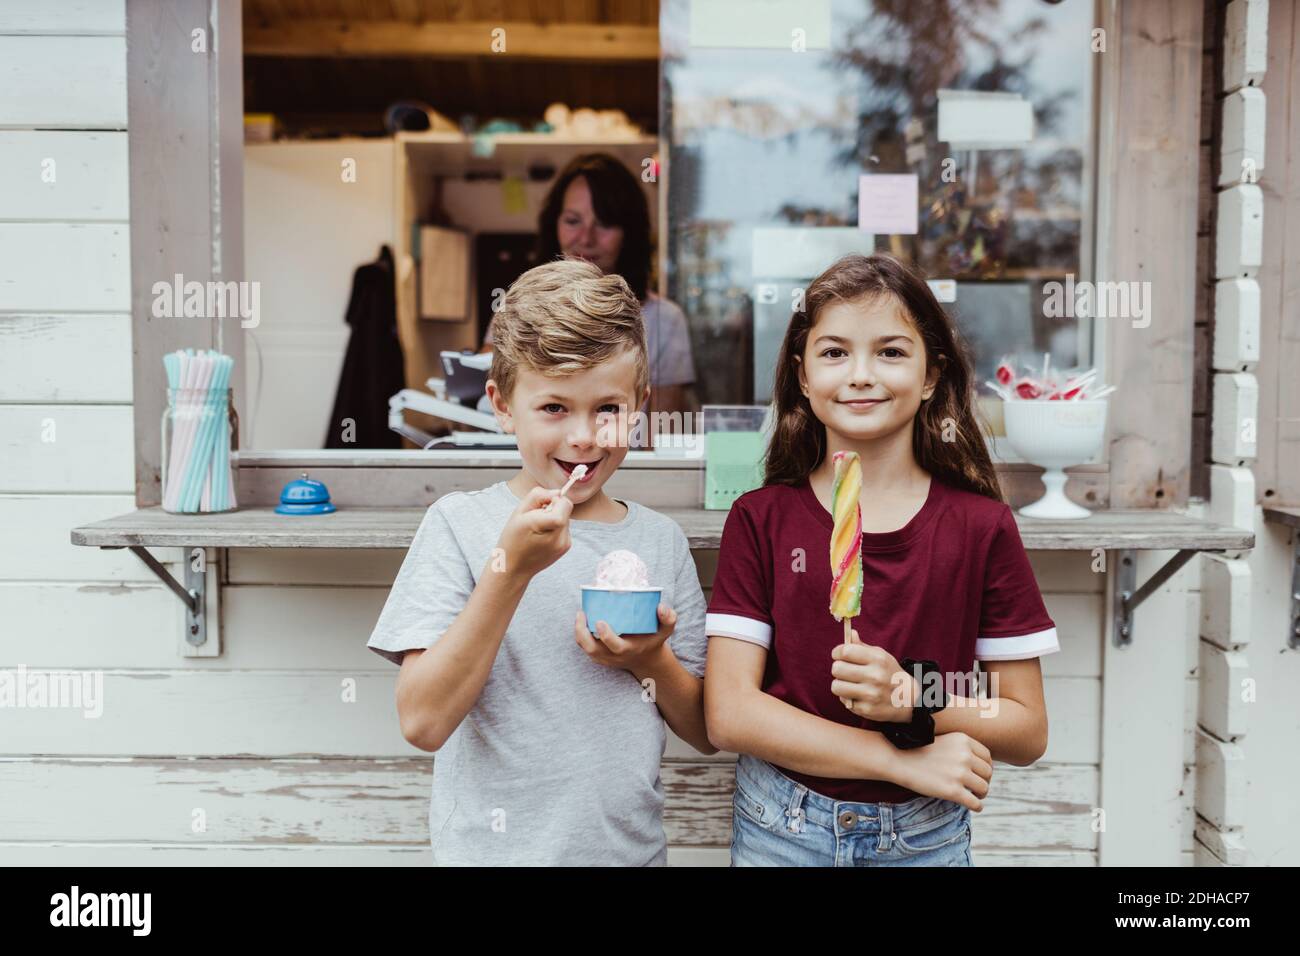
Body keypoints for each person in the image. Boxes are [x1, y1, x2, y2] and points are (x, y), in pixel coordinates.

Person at [703, 254, 1058, 866]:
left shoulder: (981, 527)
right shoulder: (761, 519)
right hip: (781, 826)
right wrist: (901, 758)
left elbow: (1026, 728)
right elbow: (730, 714)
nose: (861, 374)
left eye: (891, 352)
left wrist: (914, 698)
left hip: (925, 837)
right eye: (835, 352)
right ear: (803, 374)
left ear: (930, 376)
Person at [368, 258, 713, 865]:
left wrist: (649, 659)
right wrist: (511, 570)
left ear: (640, 406)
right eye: (554, 408)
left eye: (607, 408)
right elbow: (422, 721)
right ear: (502, 406)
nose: (583, 436)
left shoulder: (660, 541)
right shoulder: (459, 526)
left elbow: (705, 732)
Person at [483, 153, 695, 418]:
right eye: (573, 221)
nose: (586, 238)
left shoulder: (665, 320)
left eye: (604, 224)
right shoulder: (515, 310)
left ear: (630, 232)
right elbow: (483, 416)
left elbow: (662, 439)